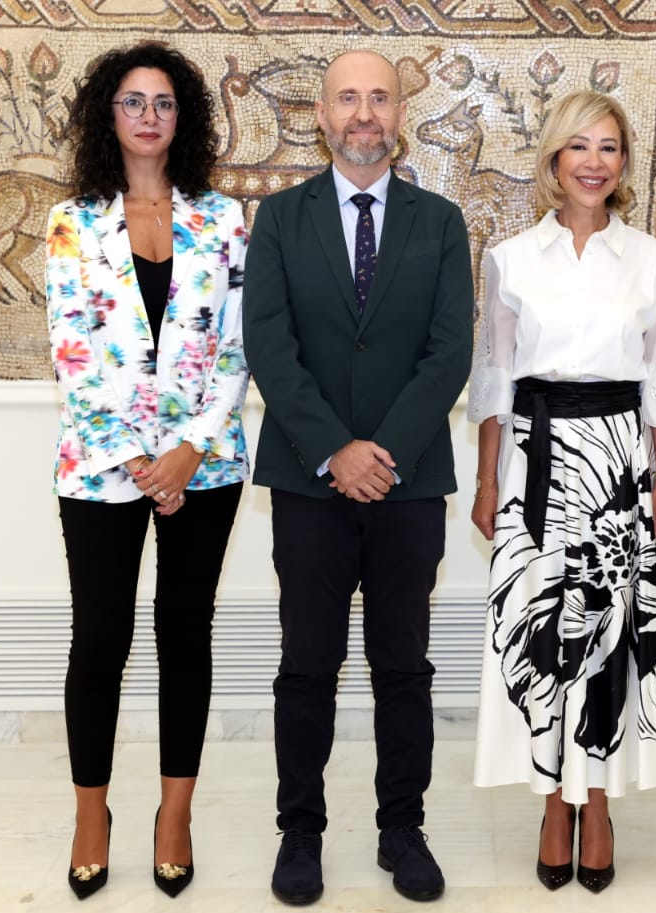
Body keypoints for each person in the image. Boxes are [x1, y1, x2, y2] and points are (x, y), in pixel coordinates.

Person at [241, 49, 473, 906]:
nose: (364, 113)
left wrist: (384, 452)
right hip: (310, 484)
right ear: (322, 115)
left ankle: (401, 828)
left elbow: (450, 351)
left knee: (402, 666)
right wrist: (336, 448)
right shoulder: (279, 219)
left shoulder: (440, 221)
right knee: (308, 664)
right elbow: (269, 345)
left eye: (379, 97)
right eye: (348, 97)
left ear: (401, 113)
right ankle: (299, 832)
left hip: (409, 487)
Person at [468, 90, 656, 894]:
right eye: (579, 146)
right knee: (542, 635)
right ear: (554, 160)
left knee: (609, 630)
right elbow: (494, 376)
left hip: (620, 463)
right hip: (532, 462)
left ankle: (595, 803)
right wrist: (488, 478)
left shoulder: (650, 259)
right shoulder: (509, 257)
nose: (593, 162)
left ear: (624, 162)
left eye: (608, 147)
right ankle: (550, 803)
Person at [46, 41, 250, 900]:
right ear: (109, 114)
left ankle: (175, 813)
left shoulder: (224, 219)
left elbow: (239, 345)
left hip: (205, 461)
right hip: (102, 463)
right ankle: (91, 813)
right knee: (101, 637)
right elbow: (72, 351)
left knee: (184, 630)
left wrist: (189, 448)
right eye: (133, 101)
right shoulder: (72, 221)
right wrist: (137, 457)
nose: (149, 116)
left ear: (183, 118)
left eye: (164, 102)